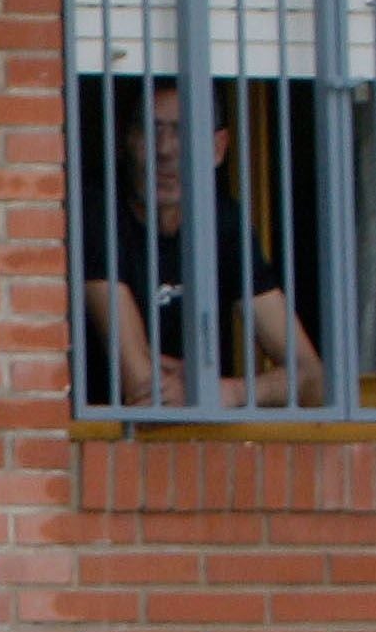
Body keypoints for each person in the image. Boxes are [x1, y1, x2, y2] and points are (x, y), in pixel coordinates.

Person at [77, 79, 326, 410]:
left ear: (218, 148)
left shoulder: (222, 222)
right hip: (108, 447)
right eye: (151, 131)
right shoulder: (100, 213)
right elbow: (143, 390)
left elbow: (314, 379)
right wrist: (204, 385)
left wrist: (229, 392)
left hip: (202, 449)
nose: (165, 149)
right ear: (126, 140)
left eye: (183, 131)